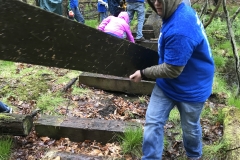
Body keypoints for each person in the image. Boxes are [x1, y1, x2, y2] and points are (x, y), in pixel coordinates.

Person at [129, 0, 214, 160]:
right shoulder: (175, 9)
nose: (156, 3)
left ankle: (194, 156)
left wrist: (144, 73)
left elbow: (172, 69)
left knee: (190, 128)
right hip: (167, 84)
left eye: (161, 0)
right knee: (153, 122)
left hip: (192, 88)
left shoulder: (181, 29)